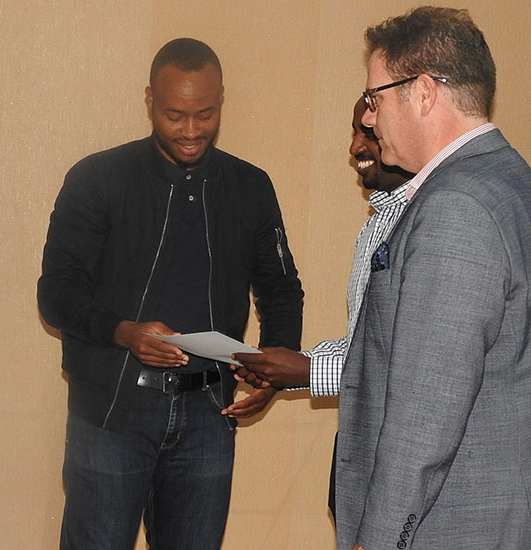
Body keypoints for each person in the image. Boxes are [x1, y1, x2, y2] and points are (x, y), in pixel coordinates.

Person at [38, 38, 304, 550]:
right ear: (148, 100)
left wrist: (274, 361)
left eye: (204, 114)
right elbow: (57, 292)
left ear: (221, 99)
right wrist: (125, 333)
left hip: (208, 412)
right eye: (174, 115)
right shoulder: (97, 179)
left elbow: (280, 287)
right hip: (112, 412)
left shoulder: (250, 186)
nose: (189, 131)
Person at [336, 7, 531, 550]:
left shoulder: (456, 209)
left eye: (374, 98)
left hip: (451, 528)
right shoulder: (511, 182)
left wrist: (378, 541)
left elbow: (425, 421)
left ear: (422, 92)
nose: (369, 119)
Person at [226, 97, 413, 520]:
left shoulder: (432, 218)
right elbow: (366, 344)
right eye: (353, 132)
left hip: (409, 477)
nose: (354, 149)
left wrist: (306, 372)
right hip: (361, 458)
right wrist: (285, 366)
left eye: (369, 133)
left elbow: (415, 361)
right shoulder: (380, 220)